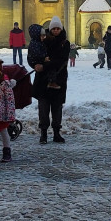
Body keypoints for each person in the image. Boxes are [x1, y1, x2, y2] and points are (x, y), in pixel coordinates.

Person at [29, 16, 69, 144]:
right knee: (43, 108)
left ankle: (56, 132)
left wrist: (43, 65)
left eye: (58, 28)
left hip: (59, 79)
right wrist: (35, 65)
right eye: (54, 28)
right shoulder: (42, 41)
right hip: (43, 80)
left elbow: (60, 60)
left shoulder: (65, 43)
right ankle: (43, 134)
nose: (56, 31)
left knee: (57, 108)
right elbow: (32, 57)